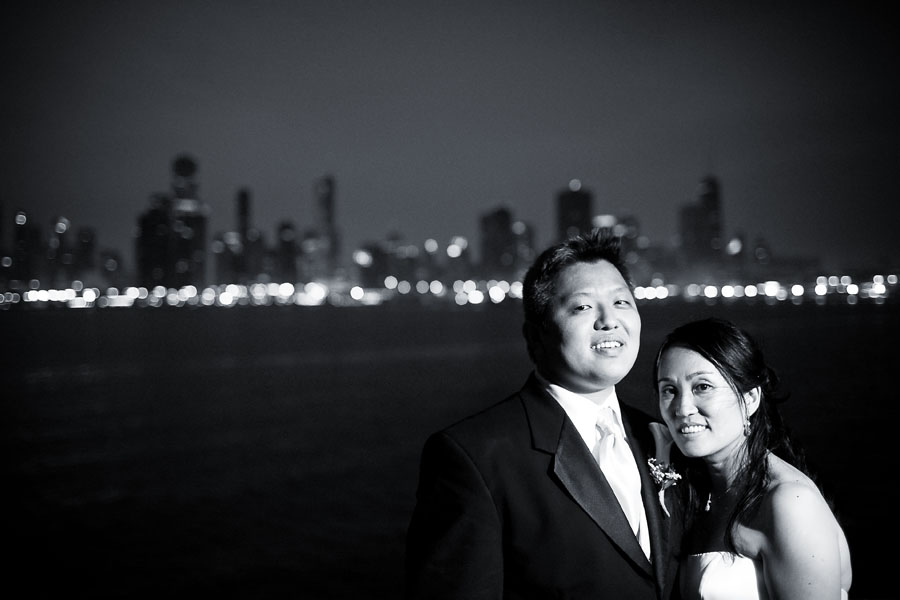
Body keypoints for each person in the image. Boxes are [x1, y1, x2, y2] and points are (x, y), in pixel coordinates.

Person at [405, 230, 681, 600]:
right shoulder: (475, 457)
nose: (608, 321)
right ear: (535, 336)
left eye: (622, 302)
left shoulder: (659, 435)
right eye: (583, 307)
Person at [653, 317, 852, 600]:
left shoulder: (790, 502)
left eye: (703, 387)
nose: (683, 408)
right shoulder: (699, 492)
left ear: (750, 399)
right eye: (669, 390)